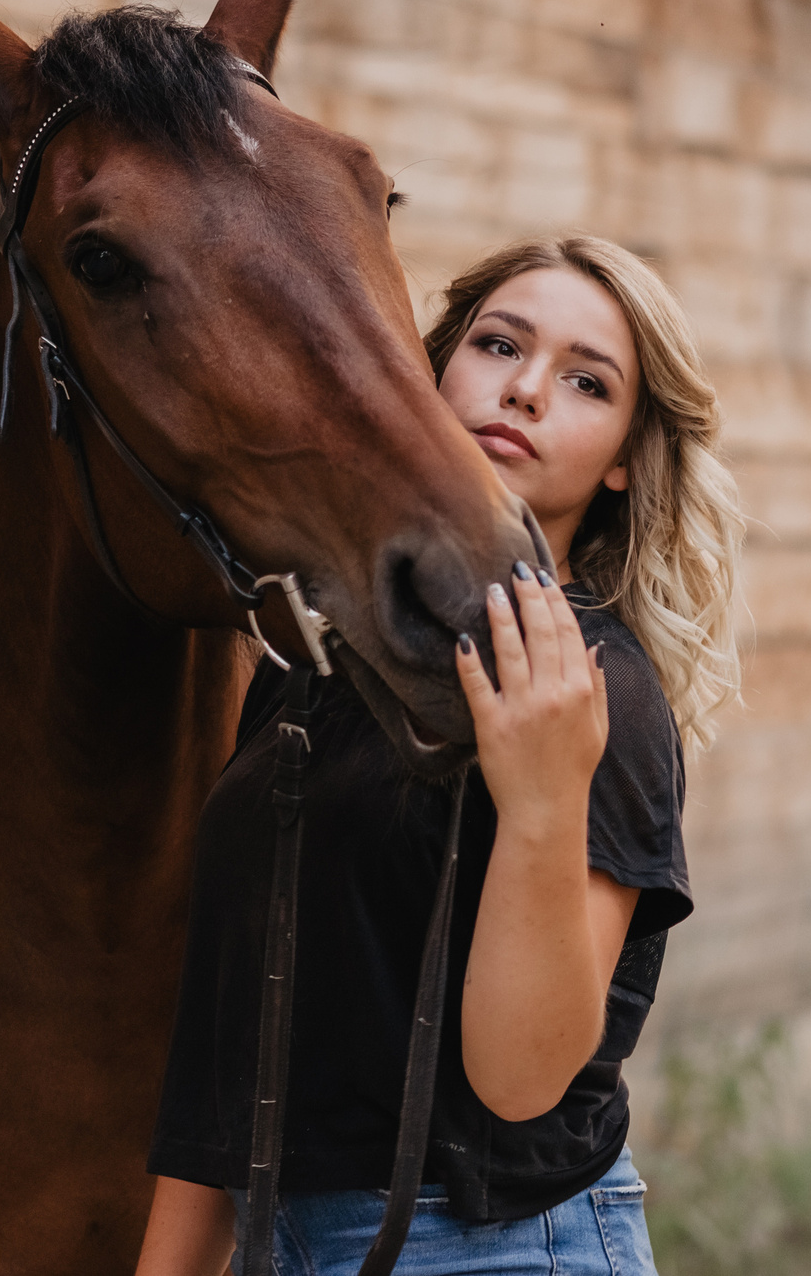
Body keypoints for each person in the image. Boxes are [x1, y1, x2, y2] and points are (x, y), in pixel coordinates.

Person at [134, 235, 745, 1276]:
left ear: (622, 461)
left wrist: (545, 802)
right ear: (431, 369)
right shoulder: (308, 661)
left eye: (586, 379)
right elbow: (228, 1031)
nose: (525, 389)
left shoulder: (601, 692)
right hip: (275, 1241)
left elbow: (519, 1078)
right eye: (498, 343)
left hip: (496, 1245)